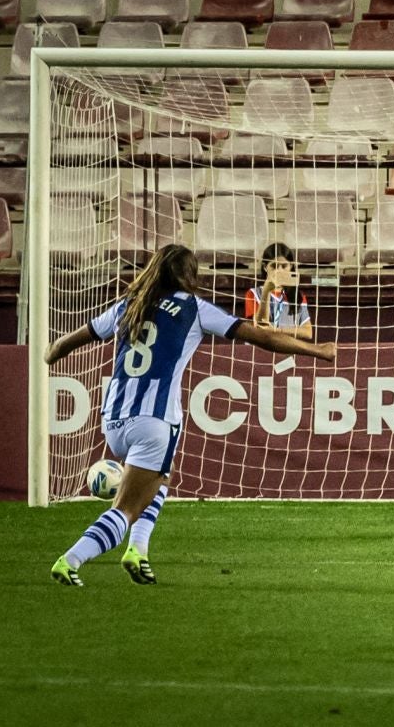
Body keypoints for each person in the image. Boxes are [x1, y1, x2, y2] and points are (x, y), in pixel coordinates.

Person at [44, 244, 336, 586]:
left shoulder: (128, 306)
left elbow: (67, 343)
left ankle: (137, 551)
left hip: (113, 419)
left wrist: (51, 352)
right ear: (188, 275)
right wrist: (317, 350)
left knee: (160, 479)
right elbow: (261, 338)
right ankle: (71, 560)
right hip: (154, 422)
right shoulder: (195, 308)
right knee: (125, 509)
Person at [243, 242, 313, 340]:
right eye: (274, 266)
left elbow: (308, 332)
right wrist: (266, 291)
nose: (279, 271)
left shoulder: (298, 295)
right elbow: (260, 327)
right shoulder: (253, 293)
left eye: (284, 266)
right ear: (265, 267)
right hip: (261, 350)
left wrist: (277, 330)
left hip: (286, 349)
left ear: (291, 266)